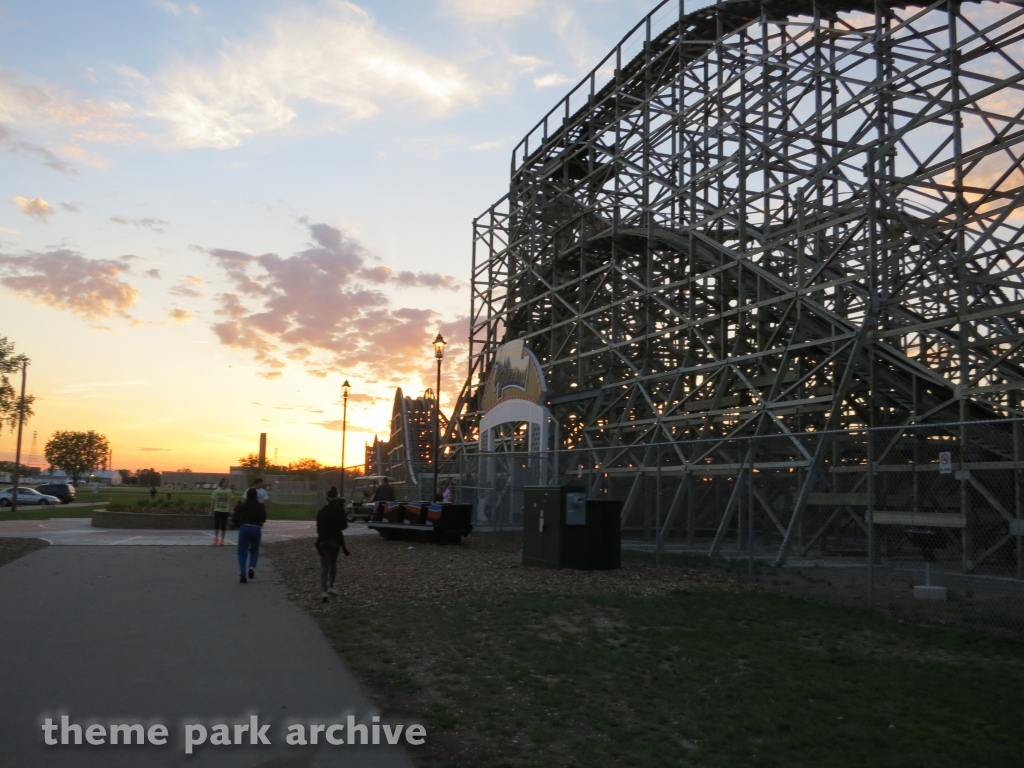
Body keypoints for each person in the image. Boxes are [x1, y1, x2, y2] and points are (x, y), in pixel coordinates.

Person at [315, 486, 349, 603]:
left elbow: (318, 528)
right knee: (333, 563)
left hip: (323, 539)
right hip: (335, 540)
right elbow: (344, 526)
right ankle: (331, 587)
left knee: (324, 566)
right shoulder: (340, 511)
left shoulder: (321, 512)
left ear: (327, 498)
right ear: (337, 498)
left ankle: (324, 592)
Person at [233, 488, 266, 583]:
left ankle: (243, 574)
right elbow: (263, 518)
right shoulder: (260, 506)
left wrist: (240, 525)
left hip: (245, 527)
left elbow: (235, 518)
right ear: (256, 495)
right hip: (256, 528)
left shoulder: (242, 506)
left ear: (247, 495)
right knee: (254, 550)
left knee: (242, 552)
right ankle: (252, 566)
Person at [210, 478, 233, 546]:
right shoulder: (216, 491)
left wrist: (232, 509)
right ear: (222, 483)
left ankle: (222, 539)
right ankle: (216, 538)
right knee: (217, 524)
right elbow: (213, 501)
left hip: (225, 510)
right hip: (217, 510)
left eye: (227, 482)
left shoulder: (229, 491)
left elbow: (231, 500)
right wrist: (211, 509)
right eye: (225, 482)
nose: (226, 484)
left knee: (223, 525)